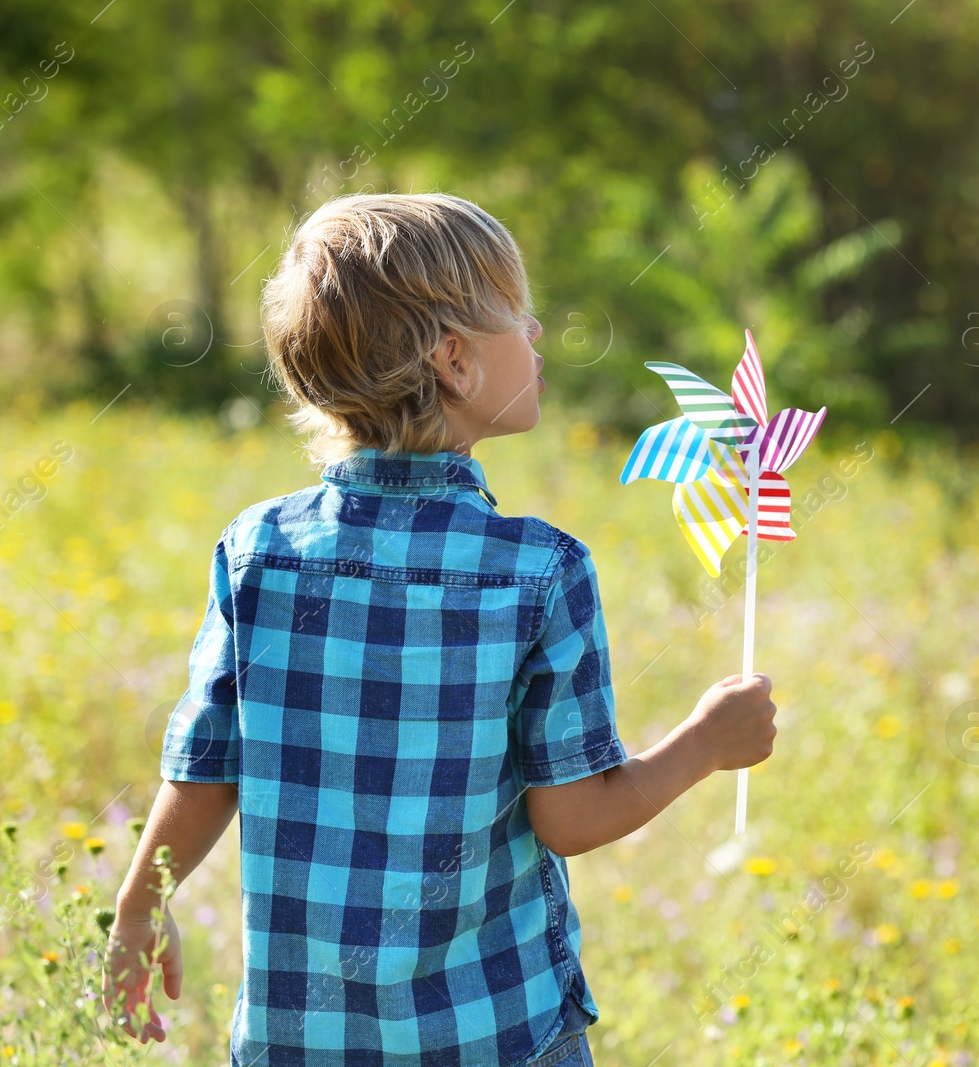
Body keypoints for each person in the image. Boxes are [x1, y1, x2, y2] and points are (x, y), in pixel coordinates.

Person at [102, 192, 778, 1066]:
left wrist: (139, 907)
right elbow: (572, 817)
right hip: (492, 1030)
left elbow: (206, 765)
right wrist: (704, 744)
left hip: (298, 1040)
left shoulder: (256, 551)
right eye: (517, 316)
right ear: (454, 359)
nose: (537, 334)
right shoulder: (539, 571)